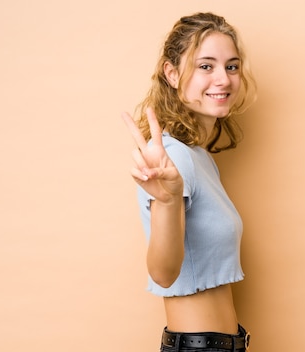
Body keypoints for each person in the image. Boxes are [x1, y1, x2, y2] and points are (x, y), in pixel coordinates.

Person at [121, 12, 257, 352]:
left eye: (232, 66)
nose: (223, 79)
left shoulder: (197, 156)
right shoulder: (175, 157)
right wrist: (166, 201)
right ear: (172, 73)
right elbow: (164, 274)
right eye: (206, 66)